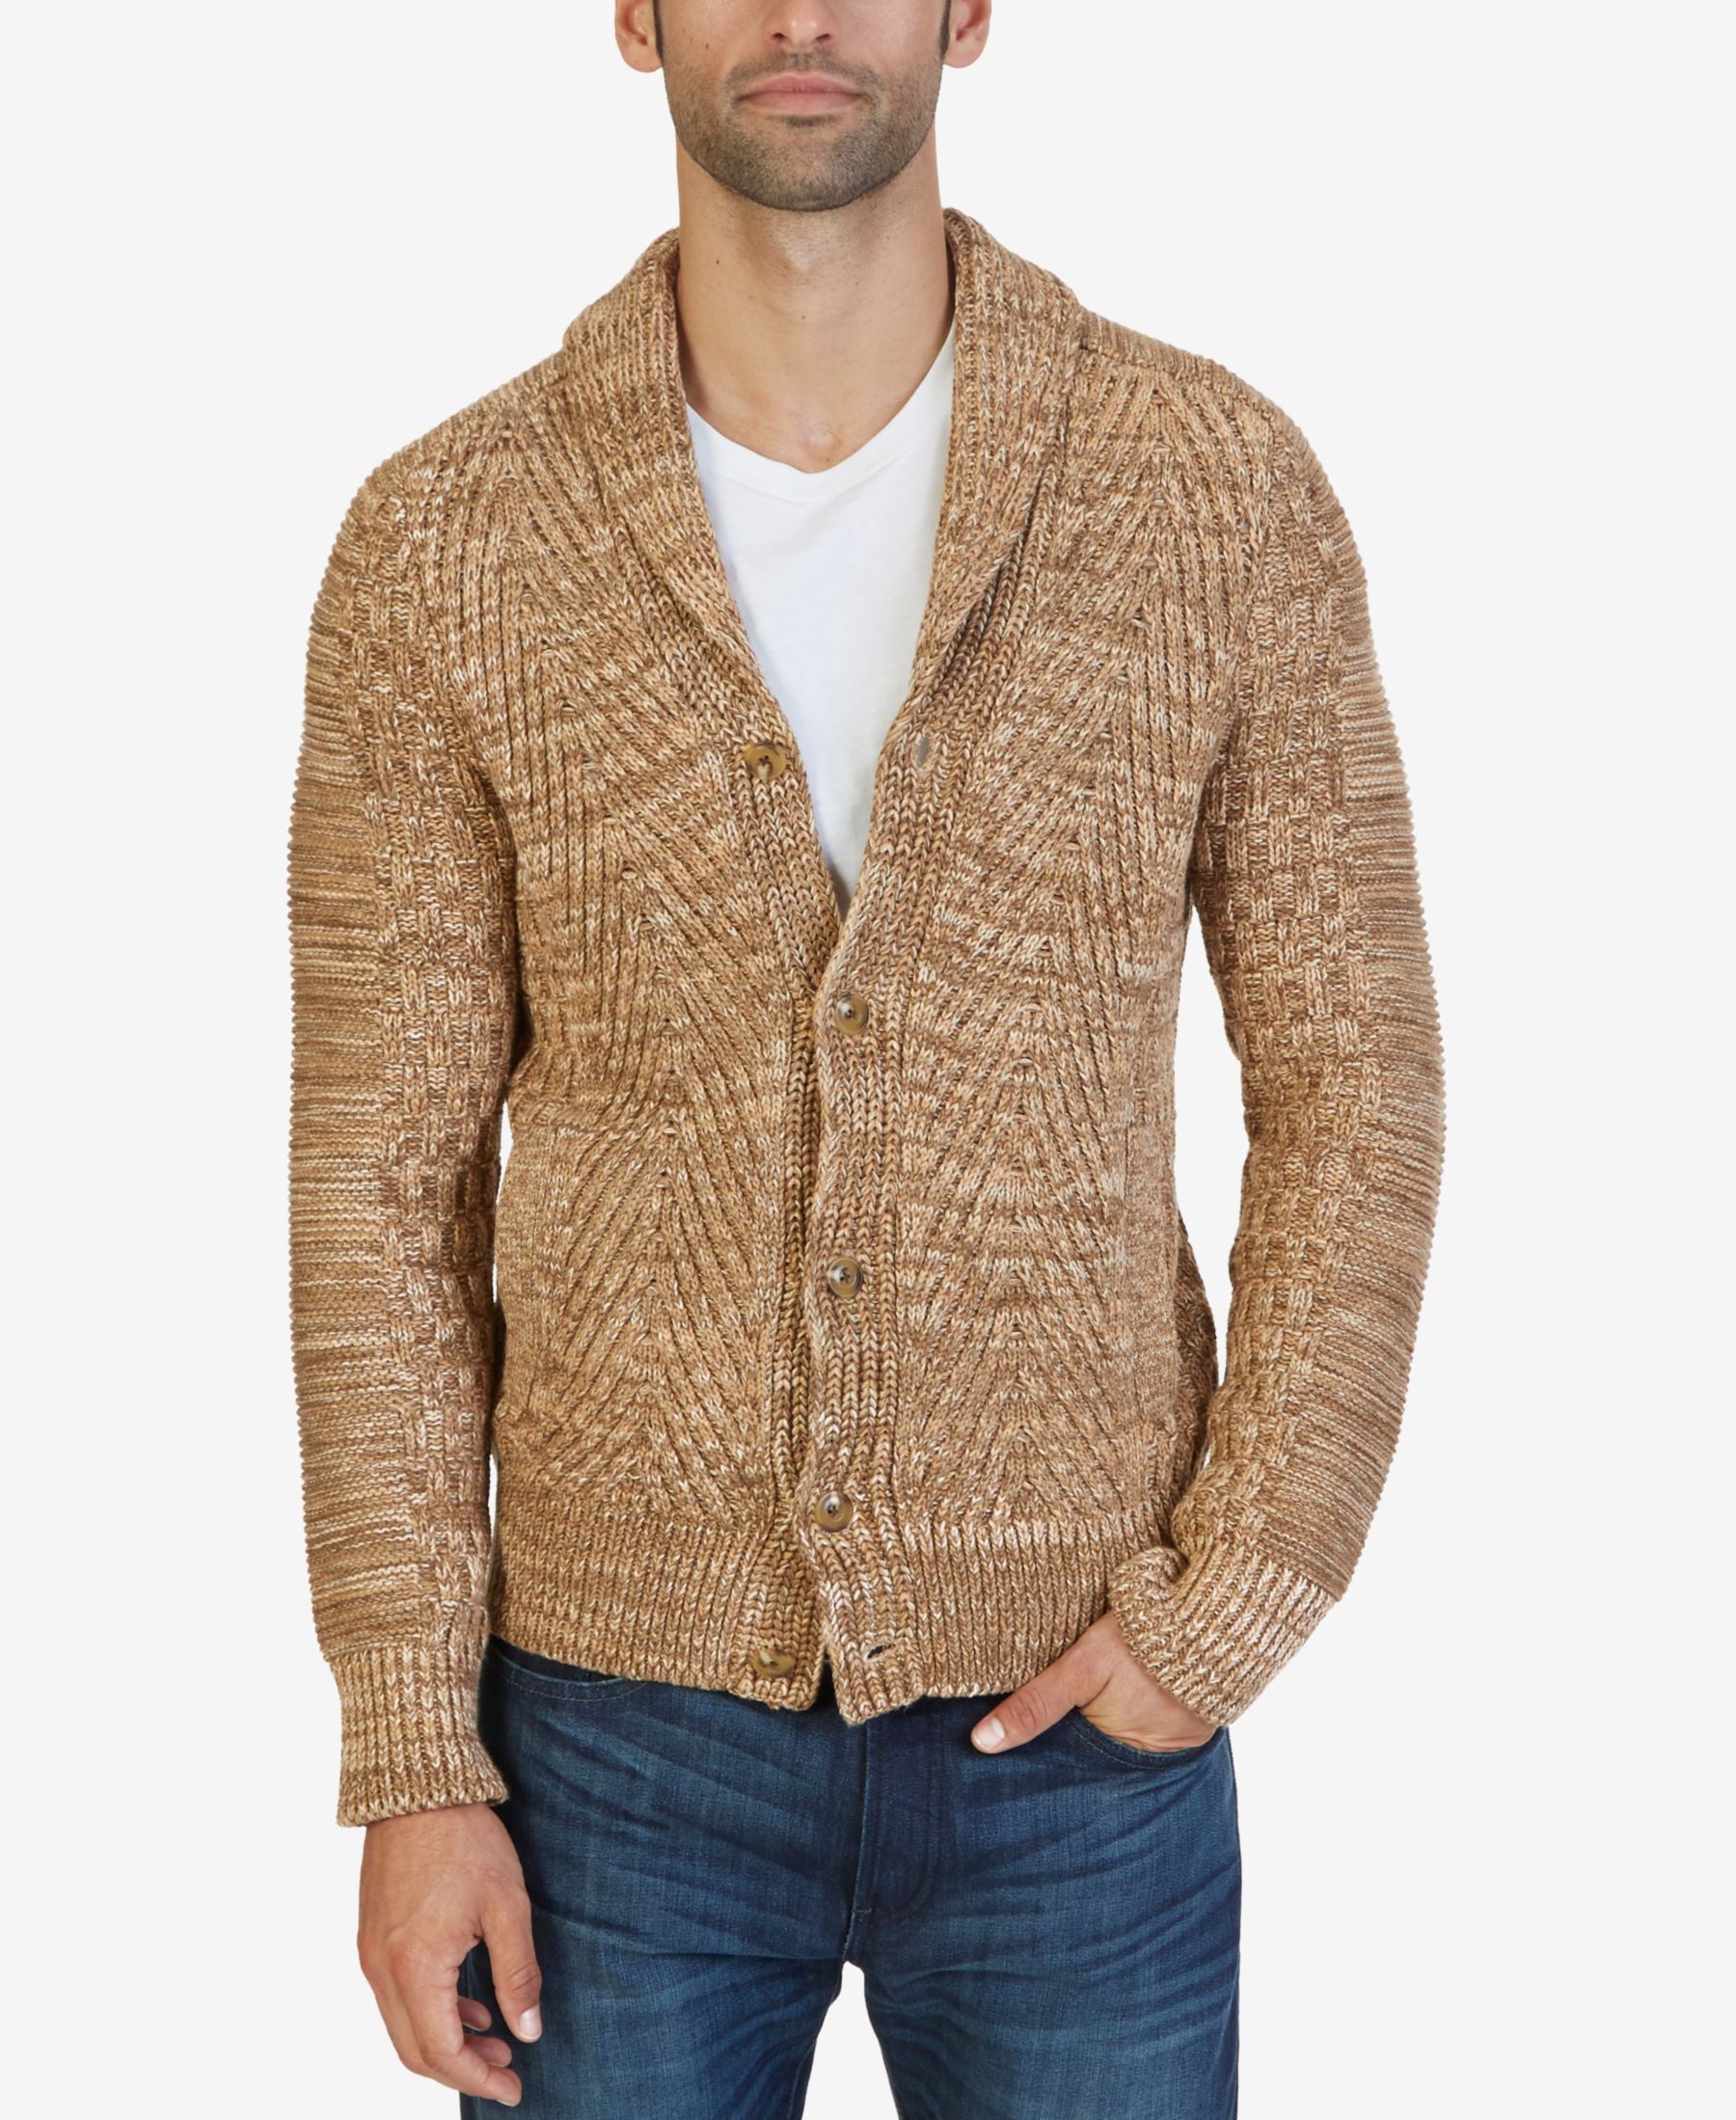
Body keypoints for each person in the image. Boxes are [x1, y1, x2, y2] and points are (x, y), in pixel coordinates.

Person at [285, 2, 1447, 2112]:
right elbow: (382, 1182)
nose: (803, 13)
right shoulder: (449, 541)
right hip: (604, 1747)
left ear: (969, 9)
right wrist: (411, 1743)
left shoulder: (1207, 489)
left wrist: (1236, 1597)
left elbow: (1356, 1079)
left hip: (1084, 1727)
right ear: (633, 14)